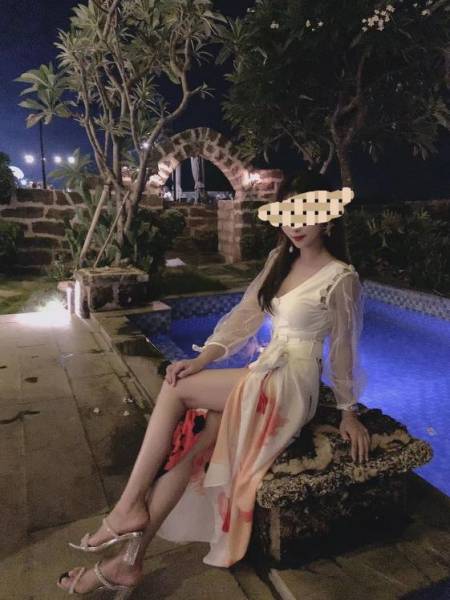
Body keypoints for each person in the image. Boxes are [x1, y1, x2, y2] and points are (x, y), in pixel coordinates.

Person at [57, 171, 370, 596]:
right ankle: (129, 562)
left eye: (308, 213)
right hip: (264, 373)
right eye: (288, 213)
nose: (295, 224)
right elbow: (244, 318)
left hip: (292, 384)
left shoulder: (340, 276)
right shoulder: (280, 261)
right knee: (193, 447)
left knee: (176, 390)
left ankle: (127, 506)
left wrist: (349, 411)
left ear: (329, 218)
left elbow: (344, 348)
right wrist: (202, 358)